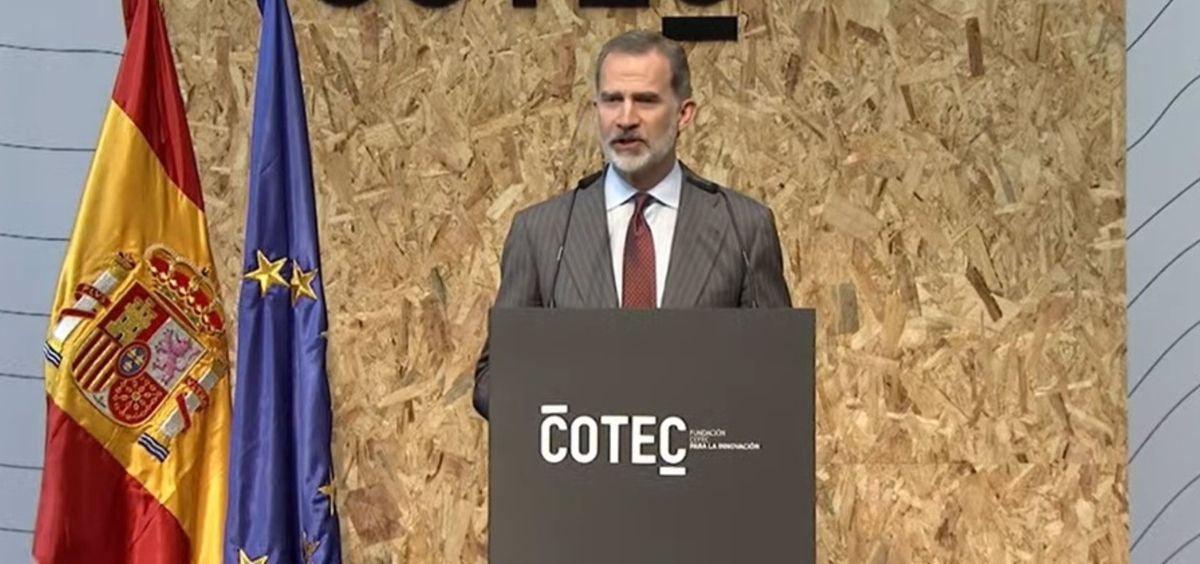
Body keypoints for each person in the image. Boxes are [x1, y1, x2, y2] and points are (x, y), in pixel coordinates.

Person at [472, 30, 791, 419]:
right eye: (612, 100)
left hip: (699, 457)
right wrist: (572, 403)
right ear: (596, 110)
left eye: (645, 100)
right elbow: (492, 382)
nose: (625, 119)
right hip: (580, 455)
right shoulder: (540, 232)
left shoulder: (744, 226)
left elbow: (779, 375)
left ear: (684, 114)